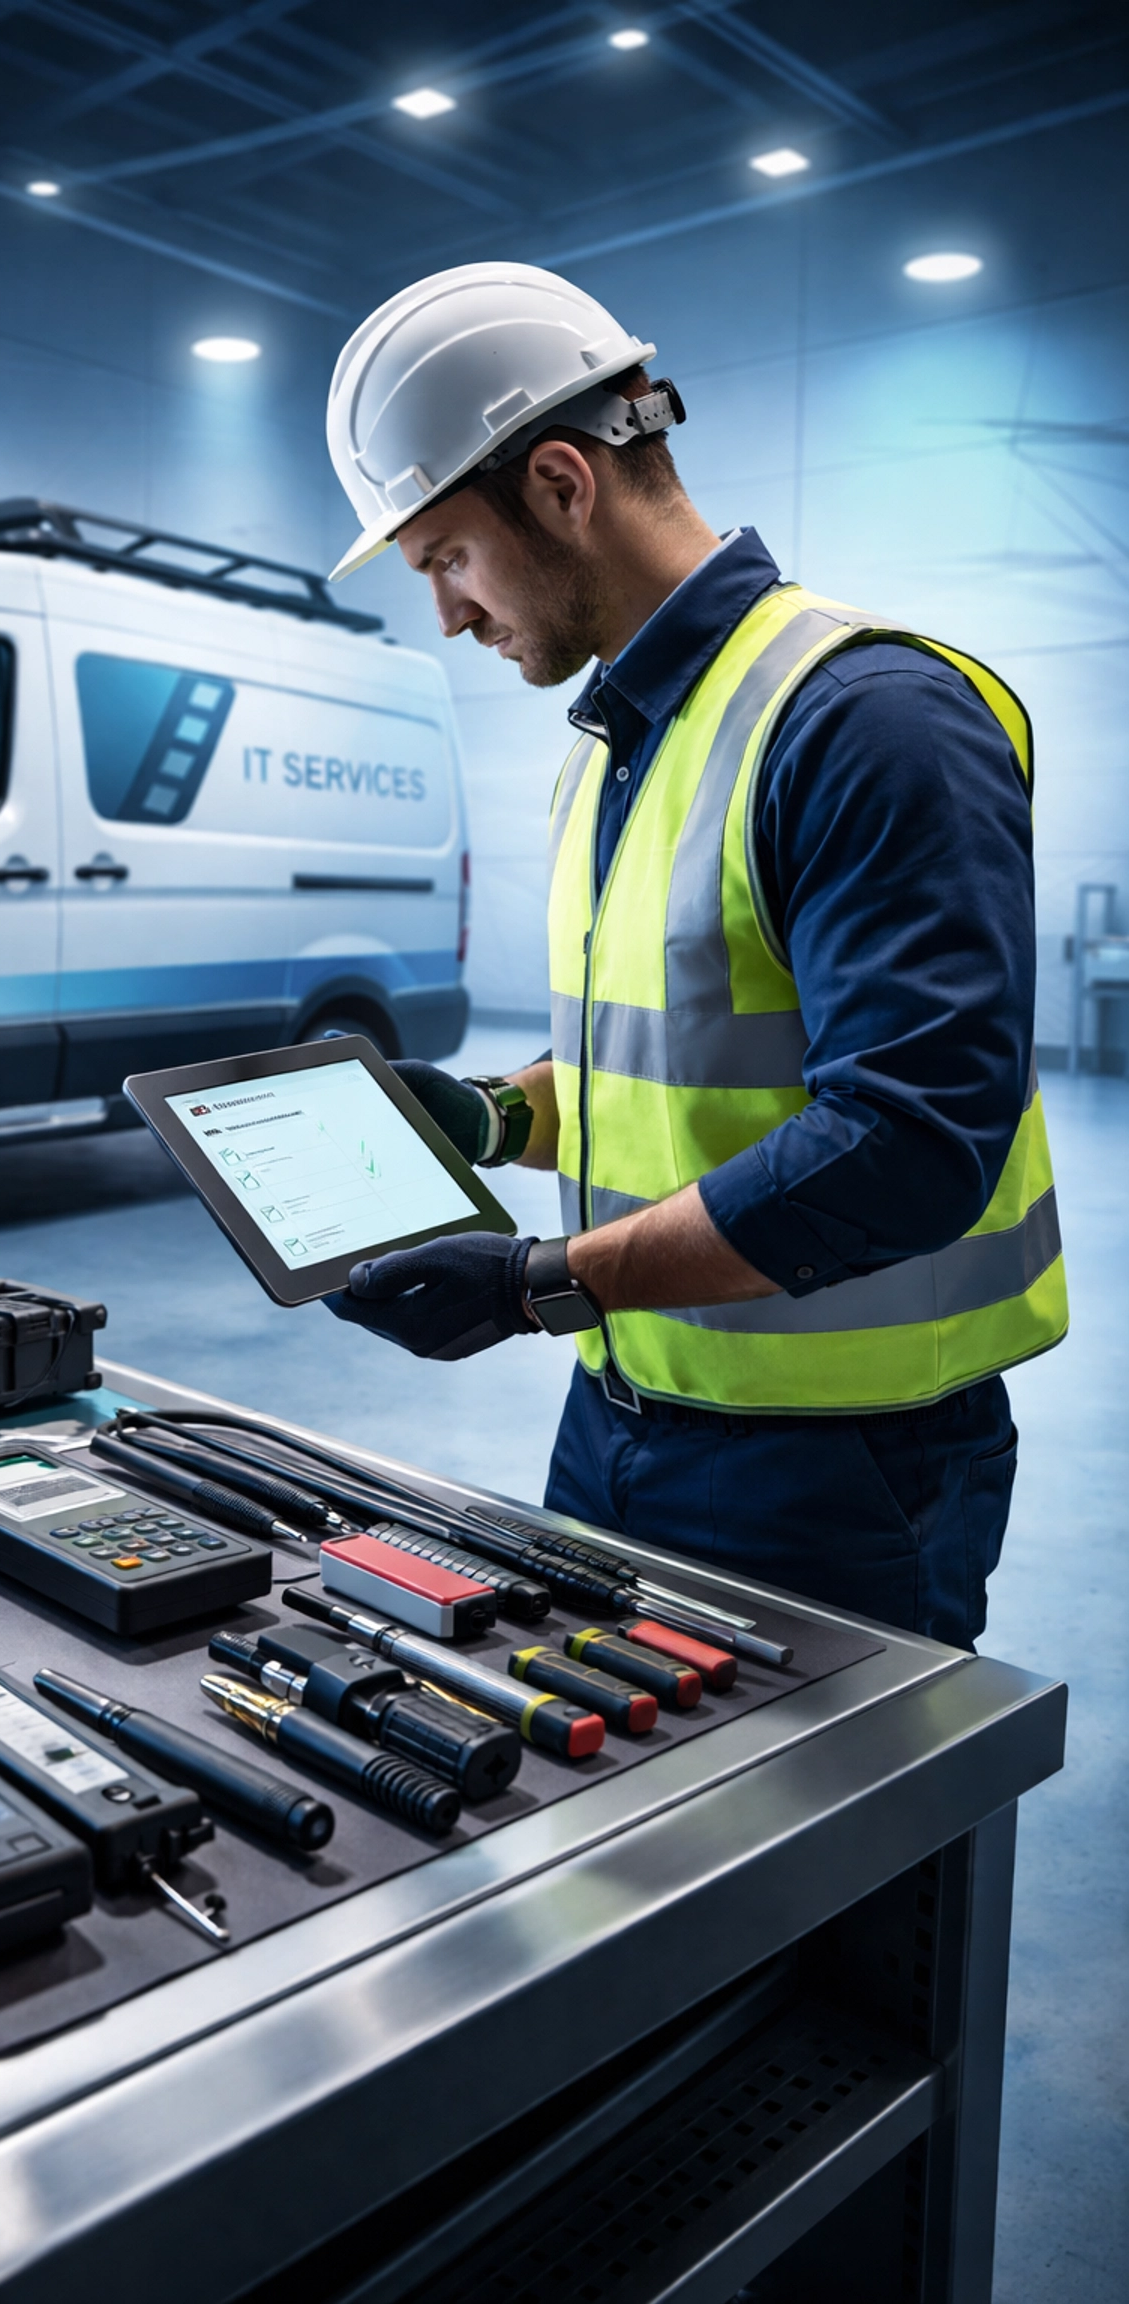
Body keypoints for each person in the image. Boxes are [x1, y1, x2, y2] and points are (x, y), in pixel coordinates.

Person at [319, 262, 1066, 1649]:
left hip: (842, 1470)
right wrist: (488, 1117)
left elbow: (908, 1140)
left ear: (559, 484)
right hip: (622, 1411)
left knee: (828, 1869)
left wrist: (547, 1281)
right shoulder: (619, 744)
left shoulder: (867, 720)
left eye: (446, 560)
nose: (448, 613)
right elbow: (667, 1067)